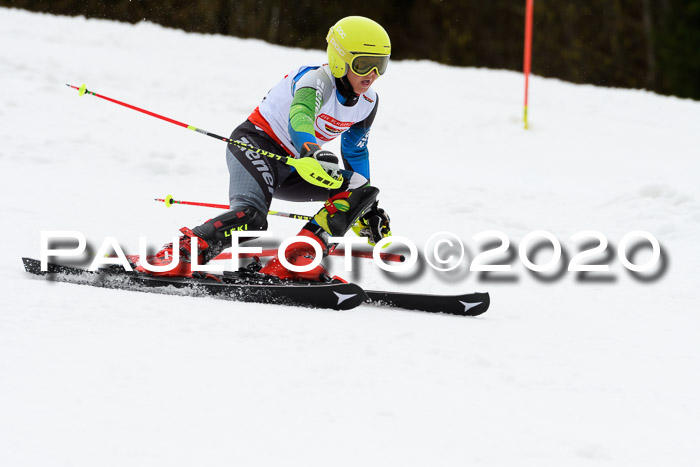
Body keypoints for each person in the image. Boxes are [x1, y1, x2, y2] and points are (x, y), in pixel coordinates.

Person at [137, 16, 392, 281]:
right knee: (252, 219)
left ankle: (296, 259)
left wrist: (366, 208)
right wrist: (310, 150)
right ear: (340, 59)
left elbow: (356, 152)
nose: (372, 75)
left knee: (362, 188)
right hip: (257, 146)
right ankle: (181, 254)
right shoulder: (316, 80)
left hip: (295, 165)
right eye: (363, 65)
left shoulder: (368, 103)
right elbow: (301, 114)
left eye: (380, 66)